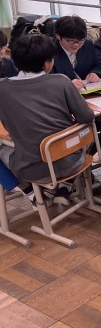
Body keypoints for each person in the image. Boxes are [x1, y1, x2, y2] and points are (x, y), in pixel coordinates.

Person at [0, 33, 95, 206]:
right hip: (72, 162)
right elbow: (87, 117)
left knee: (3, 149)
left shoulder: (2, 88)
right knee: (88, 133)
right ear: (47, 63)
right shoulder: (61, 81)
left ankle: (30, 191)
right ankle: (64, 186)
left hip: (32, 170)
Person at [51, 15, 101, 90]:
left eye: (80, 41)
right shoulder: (49, 51)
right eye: (70, 41)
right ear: (58, 36)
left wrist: (96, 73)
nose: (76, 45)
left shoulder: (87, 45)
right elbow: (45, 81)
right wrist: (67, 85)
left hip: (89, 92)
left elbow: (99, 65)